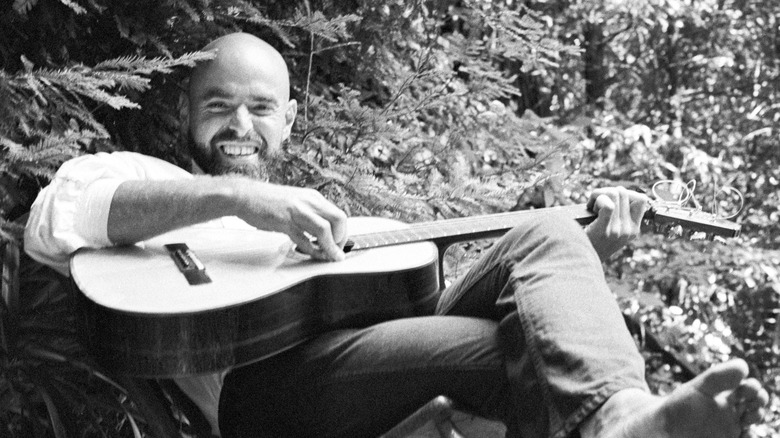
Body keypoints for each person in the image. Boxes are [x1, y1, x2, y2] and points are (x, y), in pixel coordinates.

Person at [23, 32, 768, 438]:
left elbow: (440, 322)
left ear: (288, 120)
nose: (240, 126)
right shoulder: (138, 174)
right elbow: (54, 217)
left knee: (545, 240)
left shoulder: (351, 230)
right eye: (219, 104)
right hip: (264, 403)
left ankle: (620, 419)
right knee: (524, 359)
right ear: (187, 113)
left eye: (260, 107)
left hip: (364, 373)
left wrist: (588, 249)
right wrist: (244, 200)